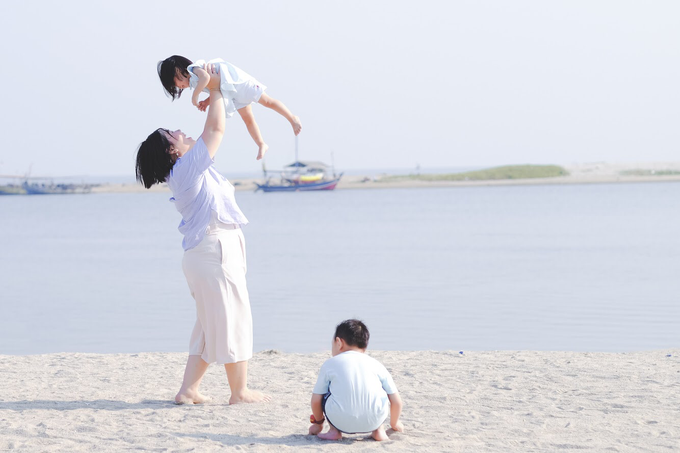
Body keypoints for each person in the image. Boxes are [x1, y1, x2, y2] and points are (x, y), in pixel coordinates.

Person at [135, 64, 269, 405]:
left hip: (208, 252)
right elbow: (217, 130)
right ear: (173, 151)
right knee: (232, 317)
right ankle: (239, 392)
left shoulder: (186, 171)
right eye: (173, 133)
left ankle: (188, 390)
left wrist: (214, 91)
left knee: (208, 325)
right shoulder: (185, 168)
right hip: (213, 250)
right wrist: (217, 87)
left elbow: (212, 129)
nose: (181, 131)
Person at [158, 55, 302, 161]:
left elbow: (206, 79)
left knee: (267, 101)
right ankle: (261, 143)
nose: (179, 87)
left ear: (177, 70)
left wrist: (194, 97)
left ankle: (292, 118)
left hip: (238, 83)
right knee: (248, 120)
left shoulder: (194, 69)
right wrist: (207, 101)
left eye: (175, 83)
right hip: (231, 92)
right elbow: (213, 87)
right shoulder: (195, 84)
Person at [308, 319, 404, 441]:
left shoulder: (330, 364)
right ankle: (378, 430)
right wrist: (394, 423)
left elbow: (316, 401)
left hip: (340, 421)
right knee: (378, 391)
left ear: (339, 342)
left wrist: (318, 423)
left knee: (327, 390)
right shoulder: (377, 364)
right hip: (373, 420)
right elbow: (396, 402)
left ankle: (334, 431)